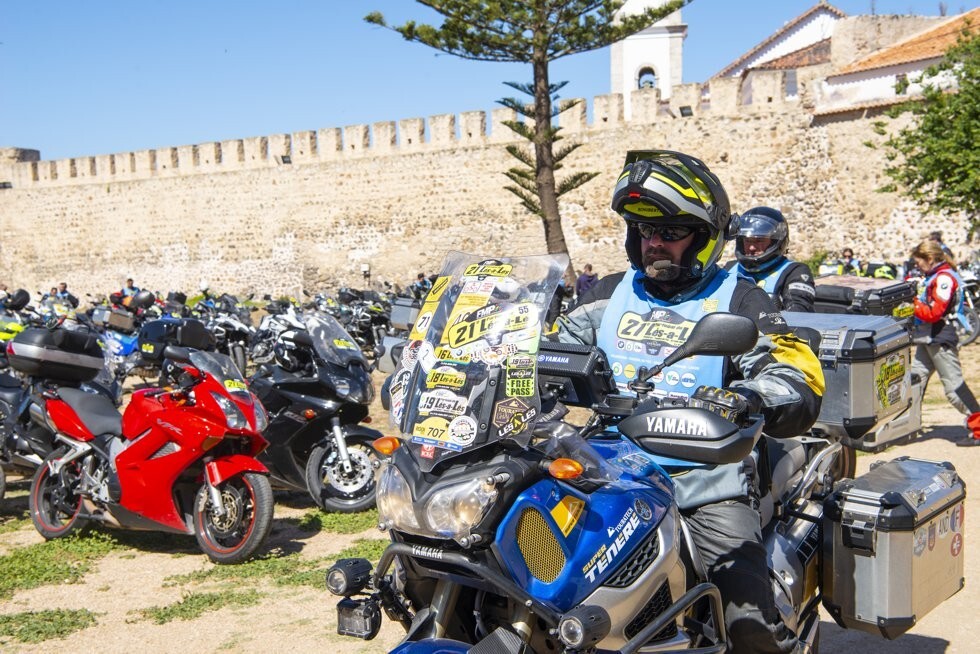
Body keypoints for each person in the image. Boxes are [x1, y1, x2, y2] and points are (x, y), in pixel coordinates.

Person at [558, 150, 823, 653]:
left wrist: (751, 397)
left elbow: (795, 368)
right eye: (642, 230)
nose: (653, 242)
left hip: (703, 478)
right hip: (606, 466)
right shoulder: (607, 294)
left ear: (704, 236)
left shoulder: (741, 299)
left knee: (745, 613)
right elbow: (550, 346)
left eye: (670, 231)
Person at [909, 239, 980, 446]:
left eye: (919, 262)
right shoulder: (935, 276)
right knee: (914, 382)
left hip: (941, 337)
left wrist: (911, 303)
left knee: (953, 388)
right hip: (927, 338)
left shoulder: (944, 279)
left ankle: (978, 428)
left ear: (929, 259)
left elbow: (934, 312)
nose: (917, 266)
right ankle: (907, 426)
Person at [728, 206, 815, 312]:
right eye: (747, 241)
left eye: (759, 241)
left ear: (776, 241)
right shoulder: (729, 268)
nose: (751, 247)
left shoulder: (795, 272)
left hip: (769, 328)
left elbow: (799, 313)